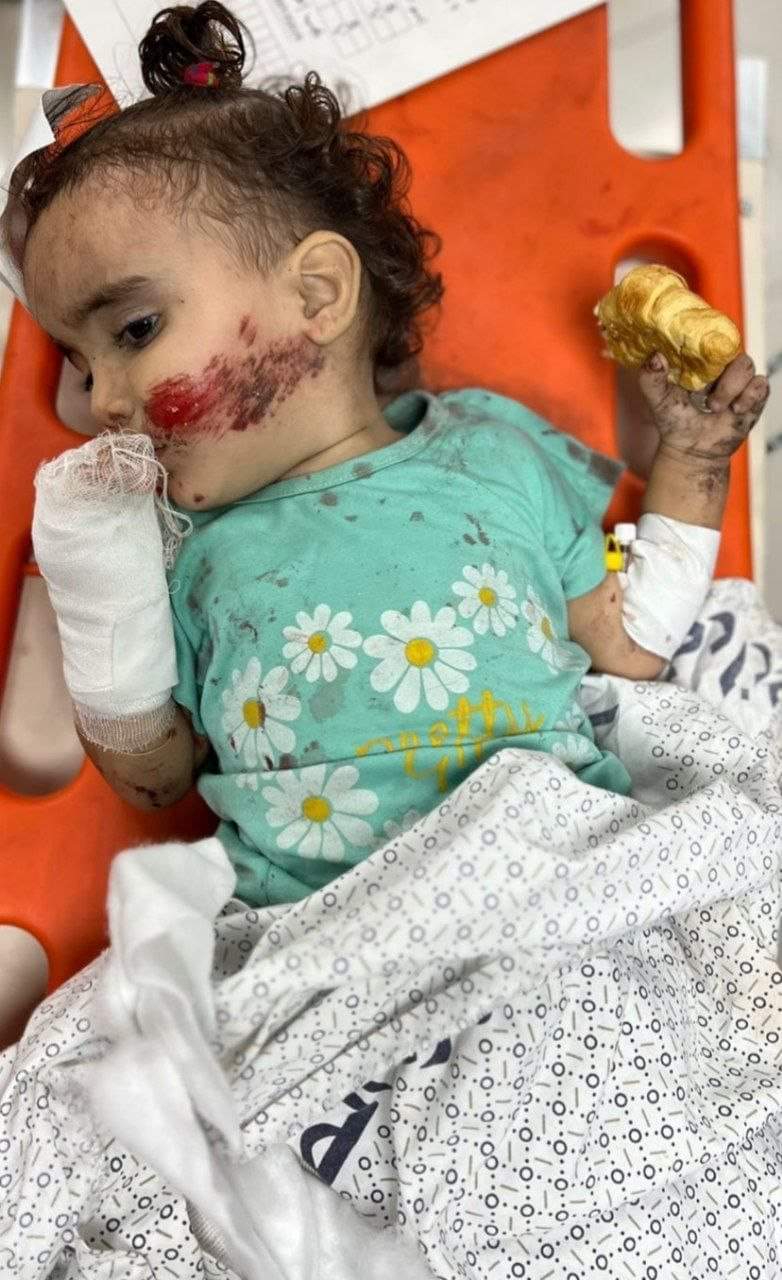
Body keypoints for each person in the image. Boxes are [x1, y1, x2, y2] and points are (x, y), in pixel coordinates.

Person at [11, 2, 769, 907]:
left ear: (317, 293)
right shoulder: (169, 550)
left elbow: (632, 646)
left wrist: (696, 459)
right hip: (329, 936)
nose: (102, 401)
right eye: (80, 364)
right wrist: (98, 592)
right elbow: (156, 779)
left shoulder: (495, 455)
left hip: (558, 891)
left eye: (135, 330)